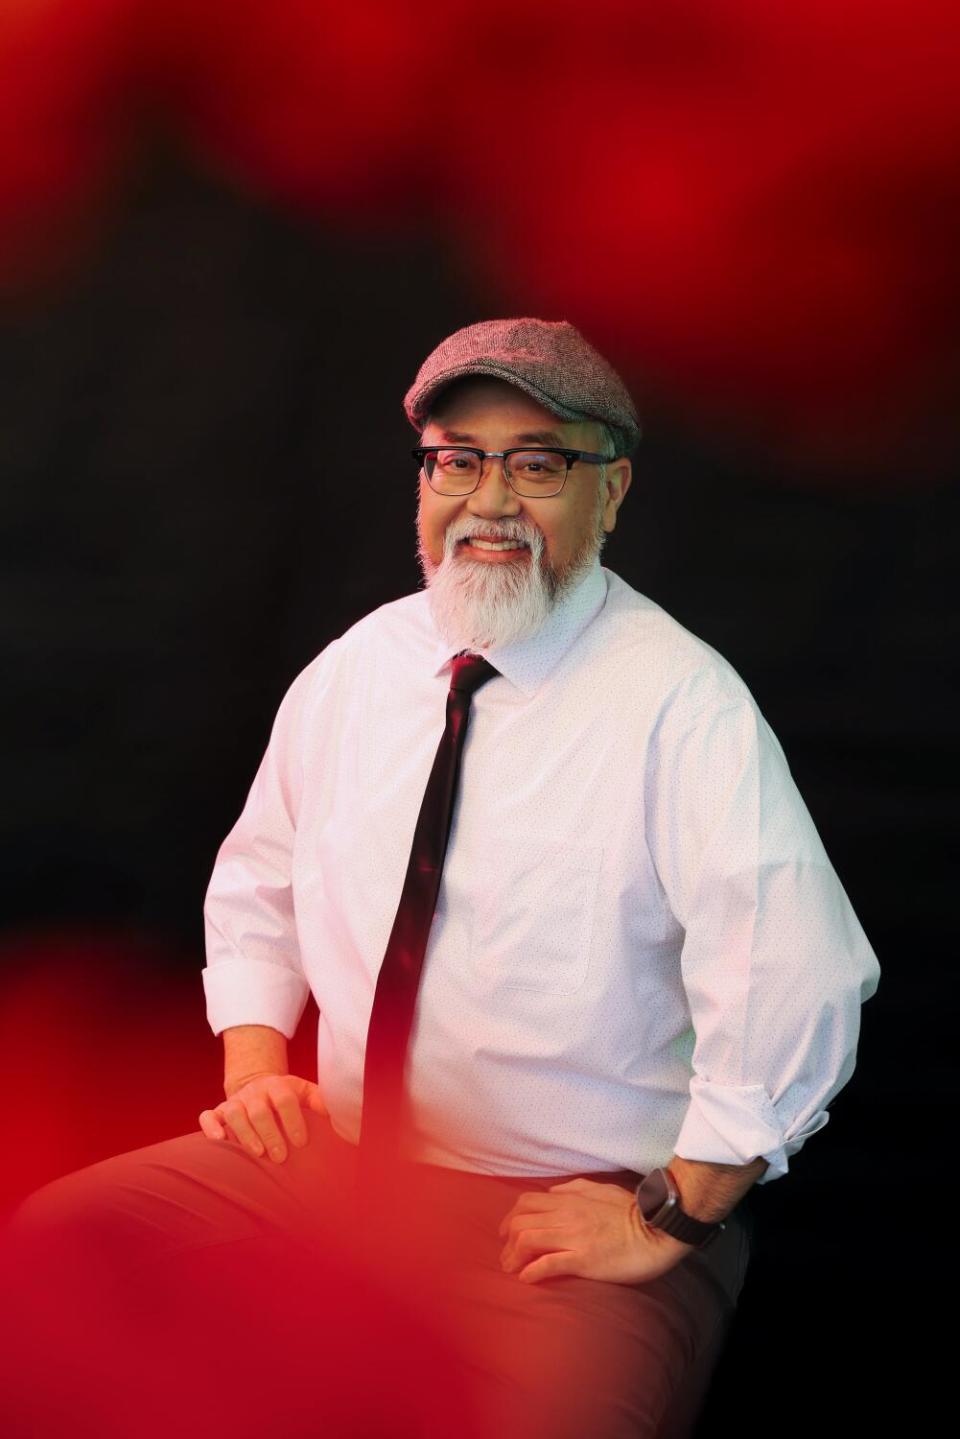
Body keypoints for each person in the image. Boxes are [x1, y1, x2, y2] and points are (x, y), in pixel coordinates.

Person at [0, 318, 880, 1439]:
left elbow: (797, 976)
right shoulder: (359, 669)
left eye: (538, 462)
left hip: (563, 1212)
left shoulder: (683, 706)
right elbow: (259, 877)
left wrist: (671, 1215)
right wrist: (258, 1063)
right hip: (345, 1168)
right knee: (54, 1249)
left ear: (611, 492)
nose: (489, 498)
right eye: (457, 459)